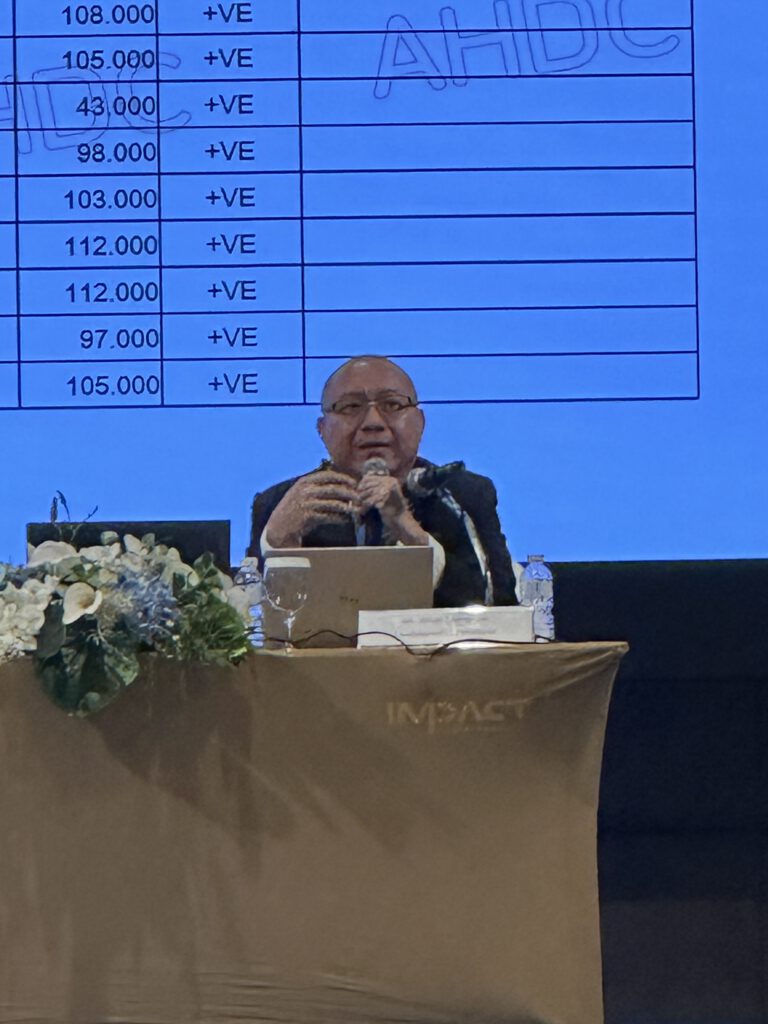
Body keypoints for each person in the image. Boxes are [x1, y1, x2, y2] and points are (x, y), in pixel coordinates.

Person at [248, 356, 516, 607]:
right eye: (351, 407)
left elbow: (498, 603)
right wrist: (279, 542)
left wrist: (410, 533)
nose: (373, 423)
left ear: (420, 423)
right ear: (322, 429)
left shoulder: (461, 495)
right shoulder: (281, 503)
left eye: (392, 405)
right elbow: (253, 621)